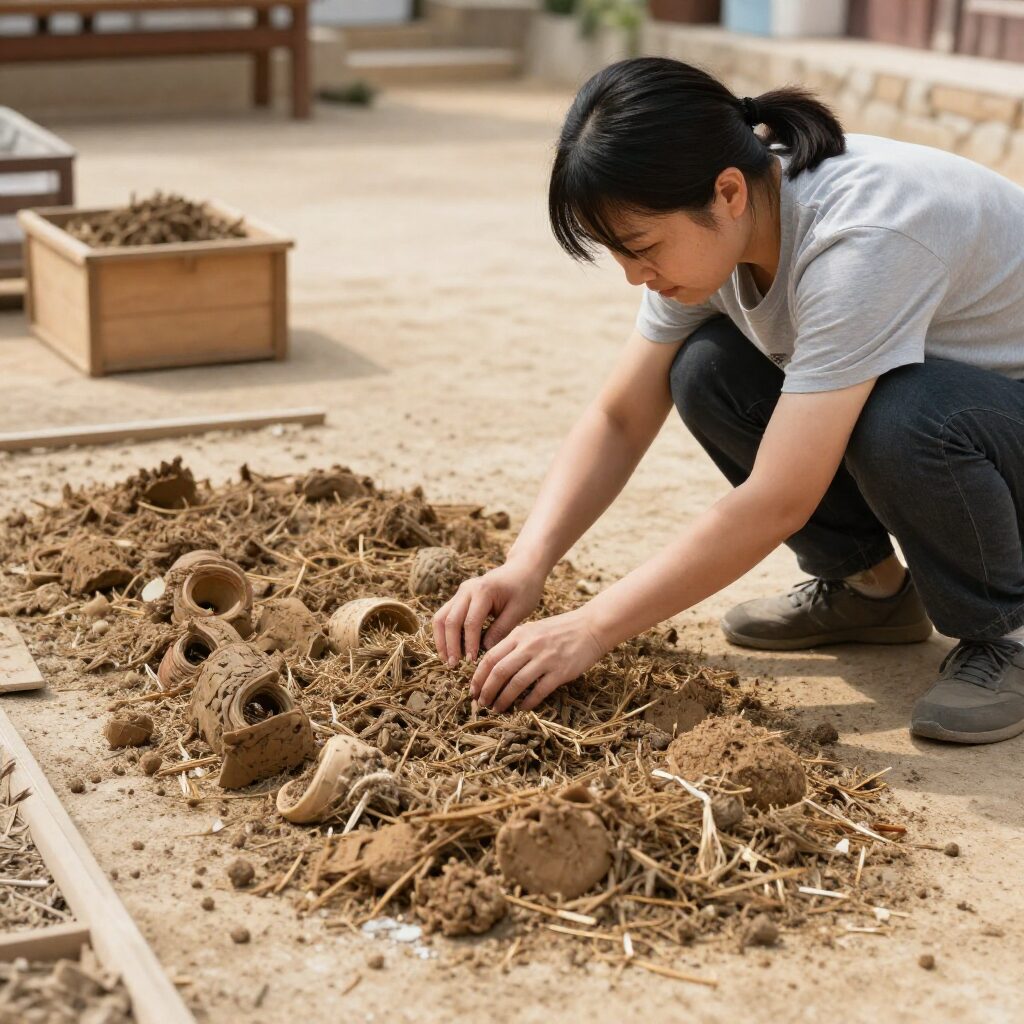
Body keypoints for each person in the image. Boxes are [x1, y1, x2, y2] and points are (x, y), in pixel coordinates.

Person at [431, 57, 1024, 745]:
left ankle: (1005, 633)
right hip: (978, 416)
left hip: (988, 413)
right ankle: (874, 591)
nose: (634, 278)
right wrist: (526, 564)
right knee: (706, 370)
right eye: (617, 255)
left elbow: (779, 496)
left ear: (728, 192)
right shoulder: (725, 225)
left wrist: (591, 627)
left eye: (642, 248)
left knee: (905, 414)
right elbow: (620, 415)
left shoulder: (862, 241)